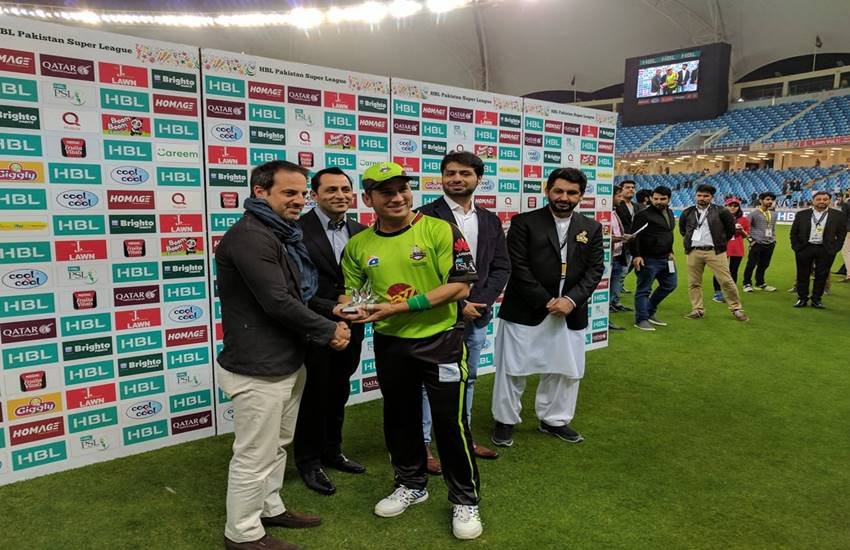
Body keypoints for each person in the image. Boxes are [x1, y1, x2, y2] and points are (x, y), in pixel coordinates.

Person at [340, 162, 482, 540]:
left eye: (402, 189)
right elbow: (351, 292)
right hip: (391, 343)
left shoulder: (439, 229)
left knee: (450, 423)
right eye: (386, 192)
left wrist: (399, 307)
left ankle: (465, 499)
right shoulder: (358, 245)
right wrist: (346, 309)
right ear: (368, 198)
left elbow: (460, 287)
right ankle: (411, 484)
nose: (397, 197)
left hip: (441, 340)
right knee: (400, 419)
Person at [216, 160, 351, 550]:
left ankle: (269, 506)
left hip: (288, 359)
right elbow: (277, 300)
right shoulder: (250, 236)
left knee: (277, 444)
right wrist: (329, 330)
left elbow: (298, 296)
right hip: (258, 365)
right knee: (254, 453)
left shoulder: (280, 233)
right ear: (260, 192)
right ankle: (242, 534)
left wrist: (331, 312)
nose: (299, 200)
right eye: (289, 193)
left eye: (302, 193)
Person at [490, 167, 604, 447]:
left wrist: (570, 300)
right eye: (558, 191)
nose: (564, 197)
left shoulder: (591, 227)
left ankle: (554, 419)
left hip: (570, 311)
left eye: (572, 192)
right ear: (547, 190)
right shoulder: (524, 222)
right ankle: (505, 420)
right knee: (512, 368)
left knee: (565, 369)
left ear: (581, 195)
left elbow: (595, 269)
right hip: (526, 308)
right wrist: (547, 300)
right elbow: (517, 266)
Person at [419, 151, 510, 472]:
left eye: (465, 173)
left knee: (467, 378)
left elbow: (501, 266)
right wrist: (459, 304)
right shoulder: (423, 217)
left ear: (478, 179)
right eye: (450, 173)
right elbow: (422, 272)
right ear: (442, 178)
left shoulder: (489, 220)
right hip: (437, 316)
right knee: (430, 382)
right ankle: (423, 444)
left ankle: (463, 437)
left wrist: (479, 302)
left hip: (477, 316)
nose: (457, 179)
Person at [293, 167, 367, 496]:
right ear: (314, 195)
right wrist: (331, 312)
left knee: (339, 389)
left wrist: (356, 312)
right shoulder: (296, 230)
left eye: (345, 189)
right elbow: (294, 286)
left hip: (352, 327)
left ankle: (332, 450)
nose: (340, 195)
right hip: (313, 325)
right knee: (314, 394)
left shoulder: (362, 231)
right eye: (331, 190)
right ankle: (308, 461)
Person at [679, 184, 748, 321]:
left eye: (706, 196)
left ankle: (736, 309)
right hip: (693, 251)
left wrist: (720, 242)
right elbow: (683, 230)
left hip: (715, 251)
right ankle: (697, 309)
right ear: (695, 196)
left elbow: (730, 230)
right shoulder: (687, 212)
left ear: (712, 197)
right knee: (694, 282)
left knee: (726, 281)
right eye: (699, 195)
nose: (702, 198)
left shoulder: (722, 211)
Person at [629, 186, 678, 331]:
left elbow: (667, 233)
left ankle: (649, 311)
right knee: (644, 290)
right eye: (655, 198)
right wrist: (637, 255)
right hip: (648, 259)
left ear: (669, 199)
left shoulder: (669, 212)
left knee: (670, 284)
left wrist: (670, 250)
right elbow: (633, 236)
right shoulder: (643, 215)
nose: (658, 201)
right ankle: (641, 319)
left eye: (662, 199)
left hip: (666, 258)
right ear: (651, 198)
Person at [790, 190, 848, 308]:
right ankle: (802, 298)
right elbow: (794, 233)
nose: (822, 201)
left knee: (822, 275)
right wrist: (796, 247)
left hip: (825, 249)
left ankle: (816, 299)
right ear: (813, 201)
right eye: (818, 199)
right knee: (802, 274)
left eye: (825, 199)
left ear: (829, 201)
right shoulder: (802, 214)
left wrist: (835, 248)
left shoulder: (838, 215)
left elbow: (841, 235)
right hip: (805, 248)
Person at [712, 198, 750, 302]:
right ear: (726, 206)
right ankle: (718, 293)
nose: (733, 207)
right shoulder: (719, 218)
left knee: (733, 271)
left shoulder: (743, 219)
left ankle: (731, 293)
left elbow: (746, 235)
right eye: (730, 205)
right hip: (722, 247)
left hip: (737, 248)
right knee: (719, 270)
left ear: (739, 207)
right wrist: (730, 228)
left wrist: (741, 230)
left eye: (735, 206)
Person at [742, 192, 778, 292]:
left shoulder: (774, 214)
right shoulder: (754, 214)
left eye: (772, 200)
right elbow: (745, 228)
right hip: (757, 243)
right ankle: (747, 283)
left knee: (764, 265)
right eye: (767, 199)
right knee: (751, 264)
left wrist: (774, 239)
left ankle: (760, 283)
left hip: (770, 243)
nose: (770, 201)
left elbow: (772, 228)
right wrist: (751, 240)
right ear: (761, 200)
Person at [609, 184, 631, 329]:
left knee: (612, 291)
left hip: (618, 256)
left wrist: (623, 237)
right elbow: (600, 236)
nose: (621, 199)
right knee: (603, 292)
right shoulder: (602, 213)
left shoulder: (614, 212)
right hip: (608, 258)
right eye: (618, 196)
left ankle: (607, 319)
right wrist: (618, 239)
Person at [840, 196, 850, 282]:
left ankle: (849, 274)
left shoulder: (846, 204)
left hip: (849, 231)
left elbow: (843, 219)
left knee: (846, 252)